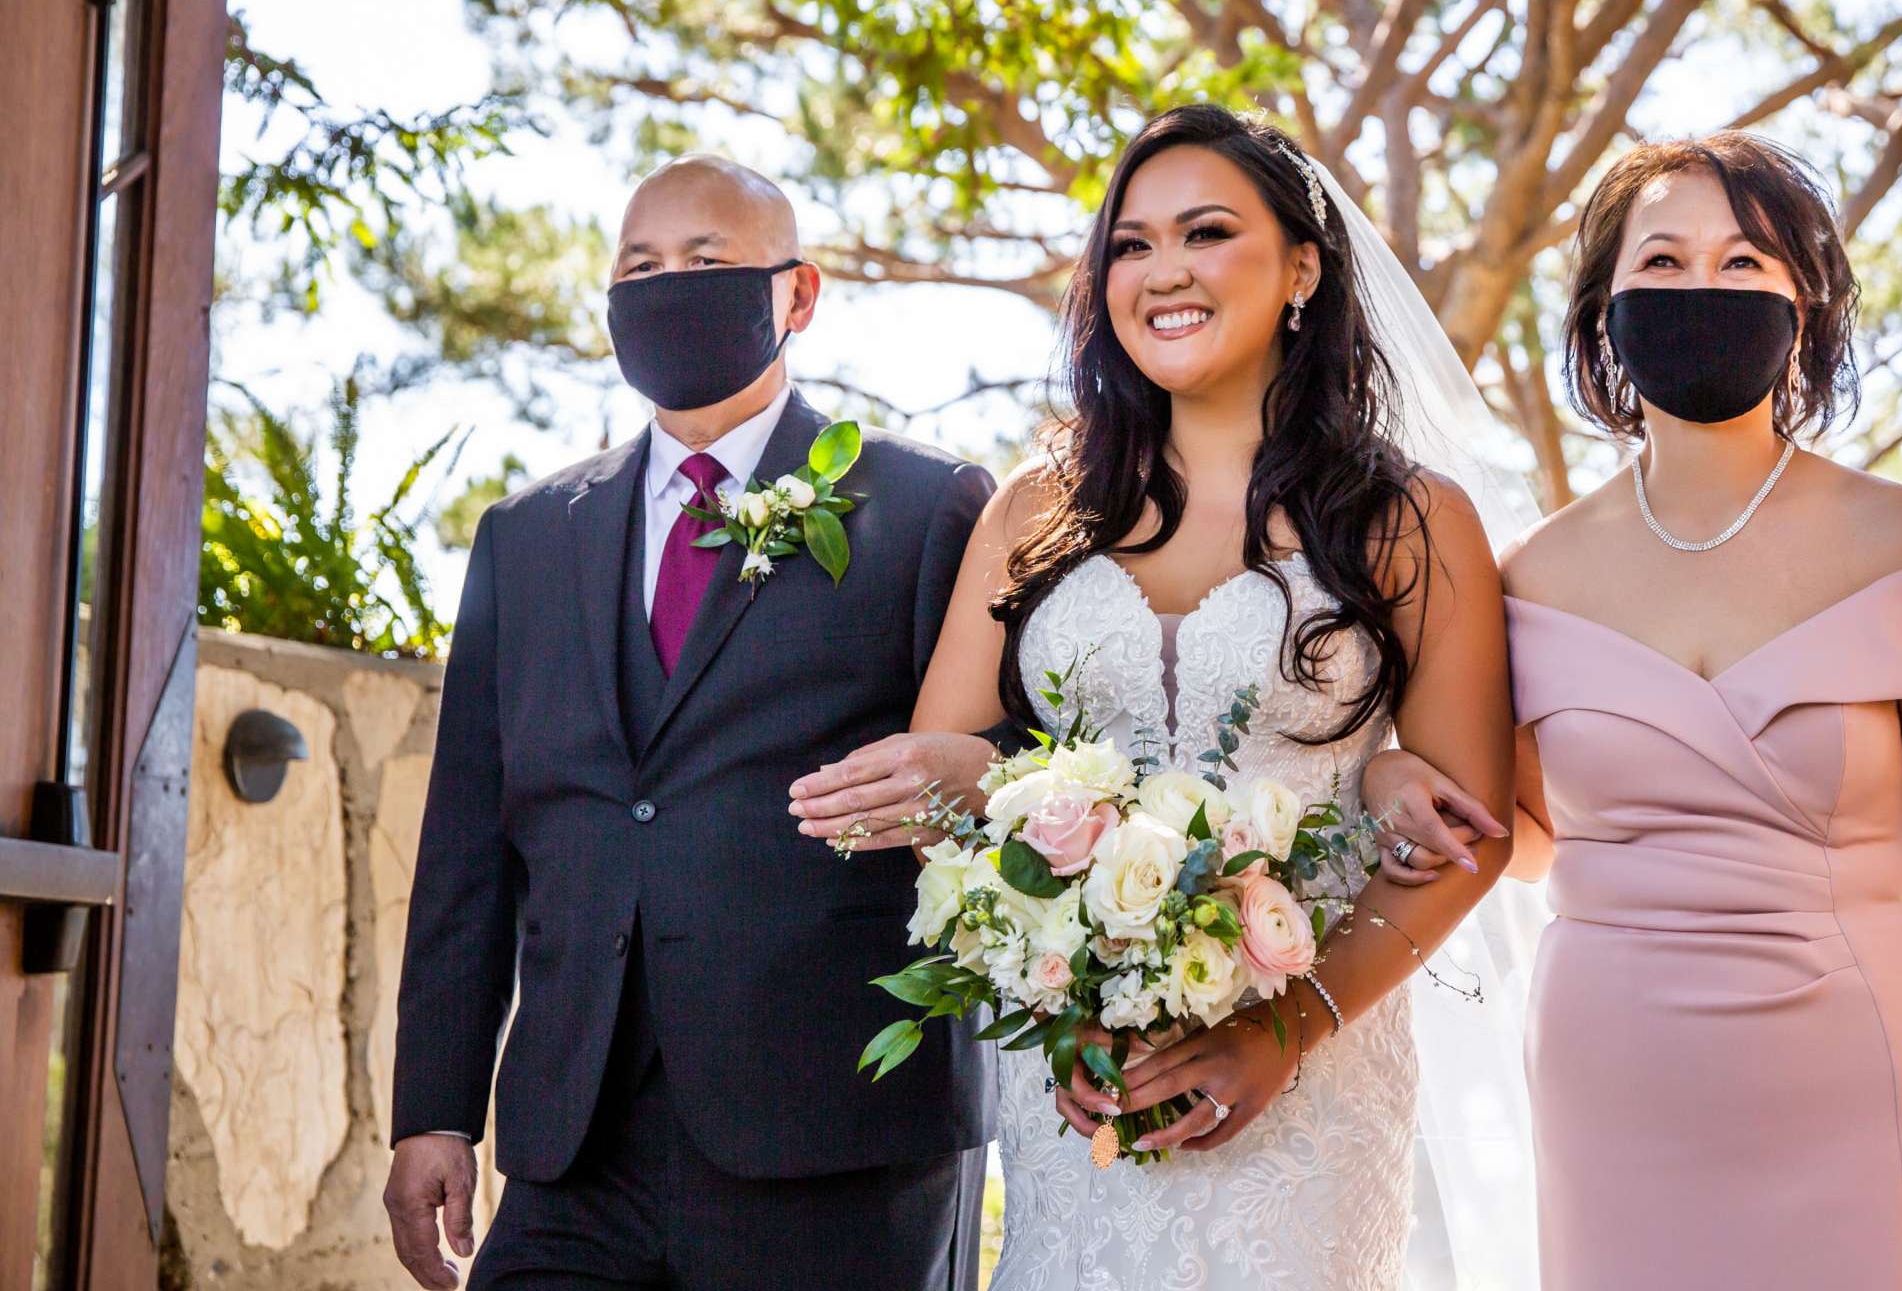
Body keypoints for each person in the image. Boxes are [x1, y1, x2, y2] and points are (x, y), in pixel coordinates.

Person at [790, 105, 1517, 1289]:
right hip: (1076, 1083)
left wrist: (1283, 1030)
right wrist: (1049, 997)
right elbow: (953, 775)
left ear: (1302, 270)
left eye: (1207, 232)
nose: (1161, 271)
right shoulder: (1040, 504)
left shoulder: (1410, 518)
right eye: (1130, 245)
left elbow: (1466, 838)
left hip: (1312, 1080)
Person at [1367, 132, 1902, 1290]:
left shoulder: (1901, 540)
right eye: (1662, 263)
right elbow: (1529, 838)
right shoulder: (1528, 576)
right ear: (1603, 308)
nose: (1702, 289)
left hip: (1856, 1064)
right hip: (1612, 1074)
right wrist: (1390, 773)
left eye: (1744, 264)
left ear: (1804, 305)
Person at [384, 156, 994, 1291]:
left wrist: (975, 777)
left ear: (796, 295)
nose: (668, 287)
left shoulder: (929, 507)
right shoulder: (524, 538)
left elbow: (1029, 773)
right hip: (573, 1149)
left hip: (836, 1140)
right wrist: (432, 1110)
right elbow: (468, 848)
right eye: (640, 266)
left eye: (706, 262)